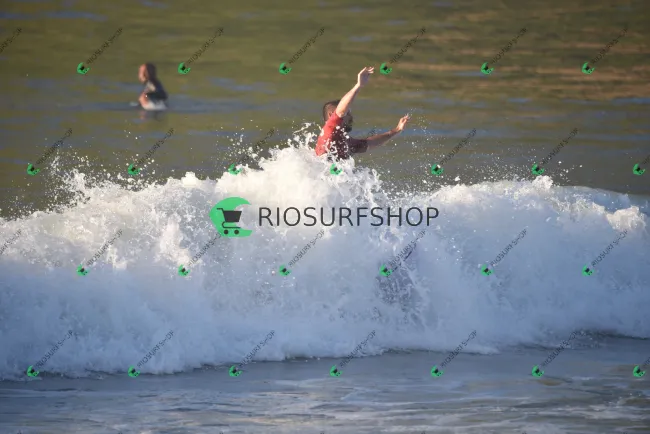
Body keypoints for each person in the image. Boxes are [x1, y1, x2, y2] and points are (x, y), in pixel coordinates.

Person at [316, 66, 410, 161]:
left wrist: (396, 130)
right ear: (331, 115)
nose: (351, 117)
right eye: (348, 113)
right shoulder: (329, 130)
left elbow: (369, 143)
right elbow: (340, 111)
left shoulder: (346, 142)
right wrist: (358, 85)